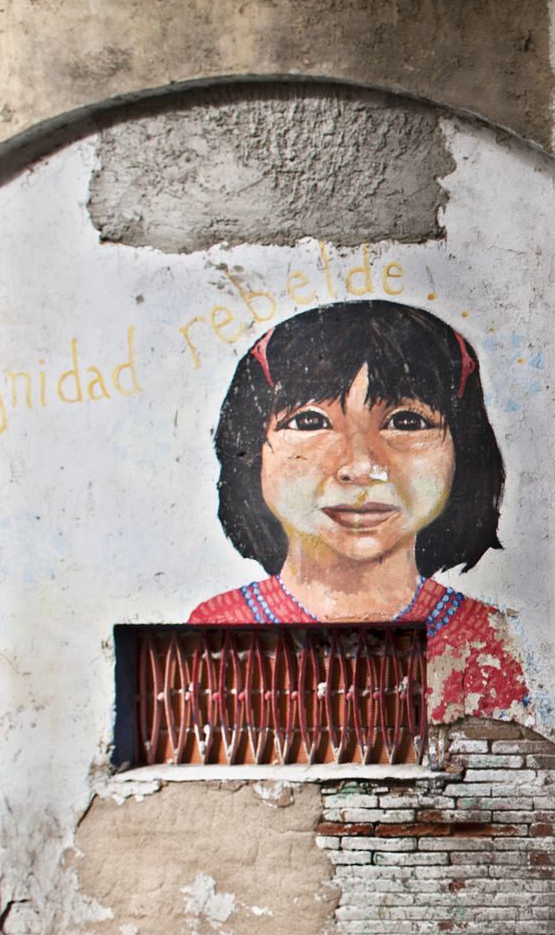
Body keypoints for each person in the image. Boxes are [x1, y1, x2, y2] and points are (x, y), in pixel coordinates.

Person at [190, 299, 528, 722]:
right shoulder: (218, 631)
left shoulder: (485, 643)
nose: (360, 468)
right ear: (250, 452)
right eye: (310, 422)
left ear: (463, 450)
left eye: (406, 423)